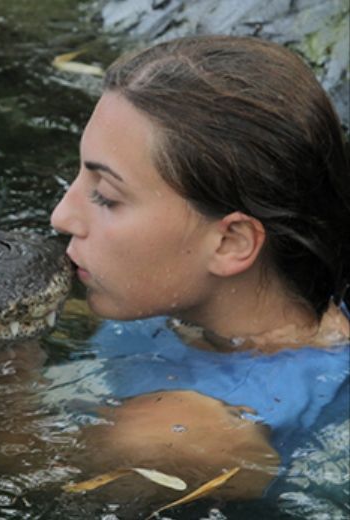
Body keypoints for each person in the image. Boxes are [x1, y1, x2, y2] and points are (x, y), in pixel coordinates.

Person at [46, 35, 349, 503]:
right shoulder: (180, 299)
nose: (61, 215)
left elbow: (25, 463)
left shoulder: (192, 427)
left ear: (230, 243)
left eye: (105, 195)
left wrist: (0, 365)